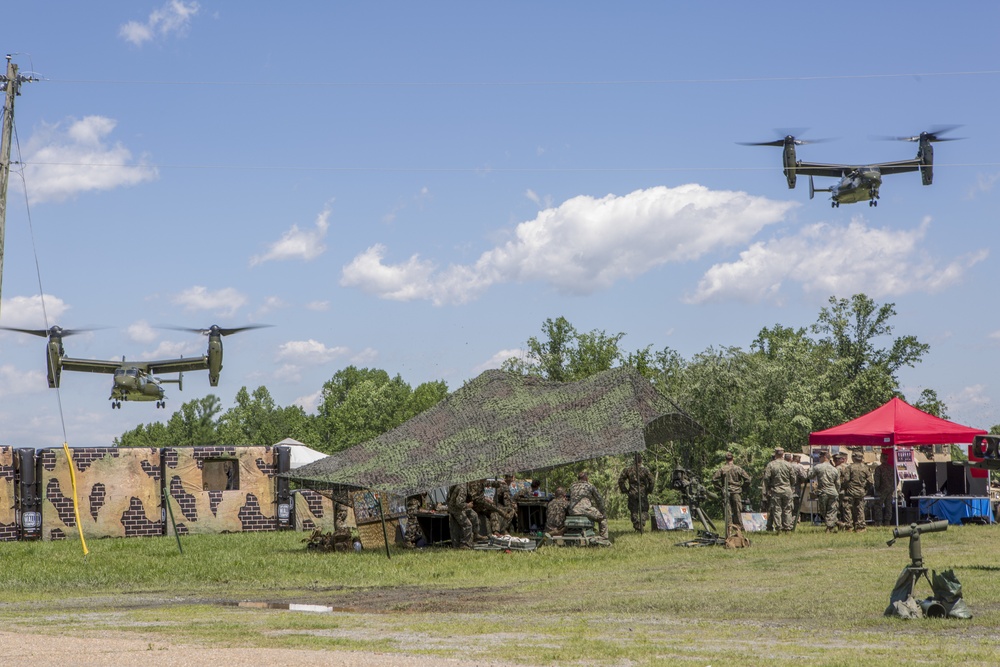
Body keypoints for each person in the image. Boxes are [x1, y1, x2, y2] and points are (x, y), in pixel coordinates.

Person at [711, 452, 751, 531]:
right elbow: (748, 479)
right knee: (737, 510)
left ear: (725, 459)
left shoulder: (722, 469)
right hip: (736, 491)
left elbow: (714, 479)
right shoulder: (738, 469)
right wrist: (742, 487)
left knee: (727, 510)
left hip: (726, 492)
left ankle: (729, 527)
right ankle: (739, 527)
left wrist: (720, 488)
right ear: (733, 458)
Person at [618, 455, 655, 532]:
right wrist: (649, 490)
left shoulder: (628, 470)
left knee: (633, 511)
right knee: (644, 510)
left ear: (634, 461)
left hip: (632, 493)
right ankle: (641, 522)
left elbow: (621, 480)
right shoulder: (645, 470)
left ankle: (636, 524)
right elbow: (652, 480)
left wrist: (625, 490)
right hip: (642, 493)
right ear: (641, 461)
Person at [762, 447, 796, 532]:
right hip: (787, 490)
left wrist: (768, 487)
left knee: (777, 510)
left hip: (776, 490)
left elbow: (766, 478)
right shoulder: (788, 464)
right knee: (787, 510)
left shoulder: (771, 464)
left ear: (775, 454)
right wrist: (790, 485)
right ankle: (787, 528)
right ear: (783, 454)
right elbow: (793, 478)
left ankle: (778, 528)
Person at [568, 471, 609, 540]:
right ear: (586, 478)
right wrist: (602, 512)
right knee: (603, 519)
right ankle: (603, 537)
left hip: (573, 510)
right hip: (586, 510)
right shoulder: (590, 485)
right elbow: (599, 499)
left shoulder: (572, 486)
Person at [808, 450, 841, 532]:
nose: (819, 459)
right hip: (833, 492)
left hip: (823, 492)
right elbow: (838, 484)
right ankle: (836, 524)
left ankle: (829, 528)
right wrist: (837, 491)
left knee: (824, 511)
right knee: (831, 511)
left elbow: (810, 476)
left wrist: (810, 469)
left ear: (824, 457)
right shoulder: (834, 469)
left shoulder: (818, 467)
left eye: (820, 457)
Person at [841, 450, 874, 532]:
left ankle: (849, 526)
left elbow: (846, 480)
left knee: (847, 508)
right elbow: (871, 481)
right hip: (861, 492)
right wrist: (865, 488)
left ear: (853, 458)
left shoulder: (849, 468)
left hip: (850, 492)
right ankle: (860, 527)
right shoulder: (866, 468)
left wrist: (845, 487)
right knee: (860, 509)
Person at [446, 482, 475, 549]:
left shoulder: (459, 484)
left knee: (455, 528)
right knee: (468, 525)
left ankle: (456, 545)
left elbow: (448, 496)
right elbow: (459, 503)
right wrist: (467, 505)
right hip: (456, 509)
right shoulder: (463, 488)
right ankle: (465, 544)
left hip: (452, 508)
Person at [872, 450, 896, 526]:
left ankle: (878, 522)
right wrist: (893, 487)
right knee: (888, 505)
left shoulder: (879, 468)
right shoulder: (891, 468)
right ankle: (887, 521)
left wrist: (876, 488)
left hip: (881, 490)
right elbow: (896, 479)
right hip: (890, 489)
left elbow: (877, 480)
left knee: (878, 505)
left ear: (881, 458)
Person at [834, 452, 850, 530]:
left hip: (841, 490)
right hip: (849, 490)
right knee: (847, 508)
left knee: (840, 508)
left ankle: (843, 524)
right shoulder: (849, 467)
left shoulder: (838, 468)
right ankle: (848, 524)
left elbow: (836, 480)